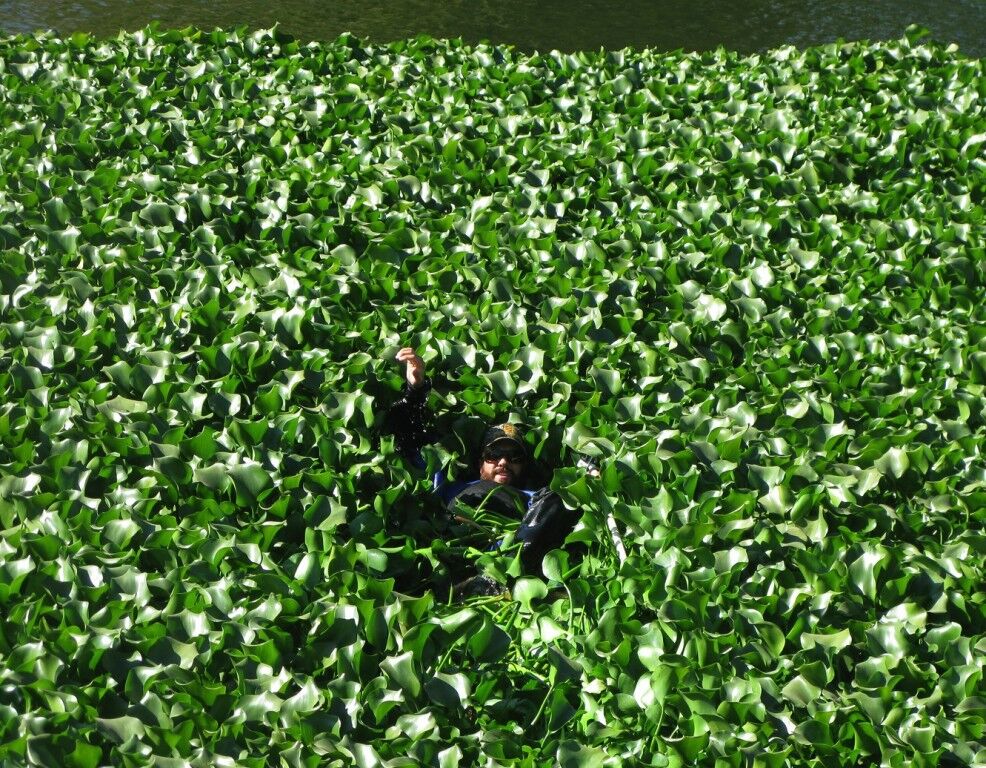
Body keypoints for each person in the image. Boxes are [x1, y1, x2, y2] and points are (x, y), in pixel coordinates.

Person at [384, 347, 597, 596]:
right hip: (454, 552)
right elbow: (406, 441)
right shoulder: (450, 484)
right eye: (494, 455)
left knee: (560, 495)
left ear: (524, 466)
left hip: (506, 556)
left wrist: (588, 479)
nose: (503, 462)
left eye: (514, 457)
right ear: (480, 463)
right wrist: (415, 389)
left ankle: (498, 578)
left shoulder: (536, 497)